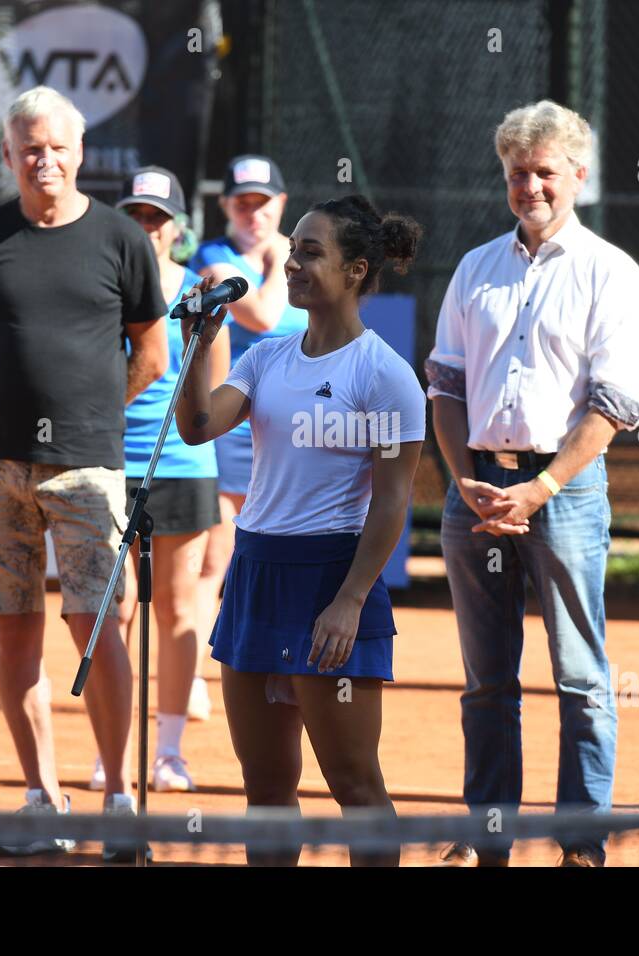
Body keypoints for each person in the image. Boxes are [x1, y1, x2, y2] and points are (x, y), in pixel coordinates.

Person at [427, 101, 639, 867]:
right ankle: (487, 835)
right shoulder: (474, 268)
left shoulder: (612, 273)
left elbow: (613, 406)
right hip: (477, 495)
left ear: (578, 178)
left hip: (565, 498)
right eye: (518, 173)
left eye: (546, 173)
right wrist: (465, 482)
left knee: (581, 677)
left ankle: (581, 845)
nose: (531, 187)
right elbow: (447, 388)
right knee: (486, 681)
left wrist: (542, 489)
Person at [0, 87, 168, 857]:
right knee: (13, 631)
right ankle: (41, 796)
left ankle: (117, 798)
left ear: (80, 152)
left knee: (98, 626)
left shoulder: (123, 241)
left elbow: (152, 355)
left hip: (90, 469)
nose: (44, 159)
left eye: (57, 146)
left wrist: (90, 412)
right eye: (28, 147)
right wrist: (9, 410)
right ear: (9, 155)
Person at [176, 195, 425, 867]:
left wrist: (349, 598)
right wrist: (200, 345)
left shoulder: (385, 375)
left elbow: (393, 501)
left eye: (312, 252)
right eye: (294, 250)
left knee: (353, 784)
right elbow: (197, 426)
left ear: (356, 270)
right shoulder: (267, 359)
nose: (293, 263)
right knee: (265, 790)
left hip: (331, 581)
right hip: (255, 577)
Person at [85, 165, 231, 794]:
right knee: (111, 610)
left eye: (156, 217)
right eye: (136, 216)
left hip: (182, 468)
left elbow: (212, 384)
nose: (146, 228)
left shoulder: (197, 291)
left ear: (177, 227)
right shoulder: (98, 287)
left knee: (174, 608)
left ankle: (168, 751)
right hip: (107, 468)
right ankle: (111, 756)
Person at [188, 155, 309, 720]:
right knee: (218, 558)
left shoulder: (303, 254)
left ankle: (283, 671)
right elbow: (260, 317)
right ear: (225, 207)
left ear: (280, 204)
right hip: (229, 427)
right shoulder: (215, 258)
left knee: (287, 553)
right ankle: (190, 678)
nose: (253, 213)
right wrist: (270, 260)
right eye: (242, 203)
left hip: (292, 434)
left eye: (263, 203)